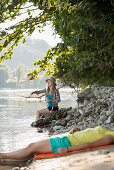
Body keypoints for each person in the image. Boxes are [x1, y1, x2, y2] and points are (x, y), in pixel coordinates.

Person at [0, 126, 114, 165]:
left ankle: (2, 156)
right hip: (67, 138)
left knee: (31, 147)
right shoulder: (108, 130)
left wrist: (68, 148)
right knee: (31, 152)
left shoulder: (111, 136)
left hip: (66, 143)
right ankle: (3, 161)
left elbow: (91, 144)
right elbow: (89, 137)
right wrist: (78, 131)